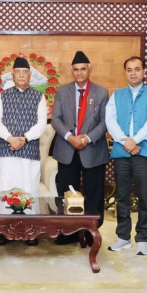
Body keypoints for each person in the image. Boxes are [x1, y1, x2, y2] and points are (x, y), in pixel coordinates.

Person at [51, 51, 109, 245]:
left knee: (94, 193)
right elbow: (56, 119)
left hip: (93, 150)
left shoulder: (101, 92)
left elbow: (105, 122)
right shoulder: (62, 91)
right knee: (67, 193)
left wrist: (87, 138)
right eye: (76, 69)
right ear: (72, 71)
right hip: (67, 150)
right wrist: (70, 137)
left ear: (89, 70)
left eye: (83, 69)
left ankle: (92, 233)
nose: (79, 73)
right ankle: (68, 232)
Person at [104, 57, 147, 255]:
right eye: (129, 70)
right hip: (122, 152)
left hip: (144, 152)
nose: (133, 73)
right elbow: (110, 121)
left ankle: (142, 237)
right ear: (125, 72)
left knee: (144, 196)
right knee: (122, 195)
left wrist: (134, 141)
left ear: (144, 71)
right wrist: (125, 142)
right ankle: (123, 236)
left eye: (137, 69)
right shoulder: (117, 95)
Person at [0, 56, 47, 246]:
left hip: (29, 153)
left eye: (25, 72)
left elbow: (41, 124)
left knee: (28, 190)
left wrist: (24, 139)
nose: (21, 75)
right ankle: (4, 231)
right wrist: (10, 138)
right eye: (18, 72)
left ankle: (30, 231)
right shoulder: (3, 96)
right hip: (6, 152)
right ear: (12, 75)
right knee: (6, 188)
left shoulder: (39, 97)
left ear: (30, 75)